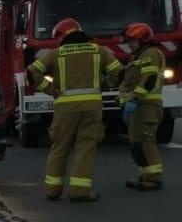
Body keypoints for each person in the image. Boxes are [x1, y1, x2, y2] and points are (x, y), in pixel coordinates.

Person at [27, 18, 122, 202]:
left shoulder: (56, 54)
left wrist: (49, 89)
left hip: (65, 107)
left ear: (61, 36)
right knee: (85, 147)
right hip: (92, 107)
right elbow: (118, 71)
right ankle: (80, 191)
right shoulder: (98, 50)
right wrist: (105, 85)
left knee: (59, 147)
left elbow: (32, 72)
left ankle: (53, 190)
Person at [118, 22, 166, 192]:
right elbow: (129, 80)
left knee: (146, 142)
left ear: (142, 40)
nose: (129, 45)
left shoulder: (151, 53)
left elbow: (149, 78)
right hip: (138, 107)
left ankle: (154, 178)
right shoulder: (136, 57)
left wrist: (135, 99)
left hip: (147, 106)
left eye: (132, 41)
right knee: (137, 144)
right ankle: (145, 174)